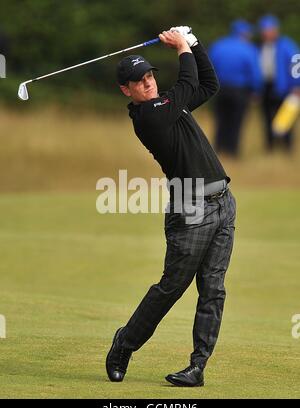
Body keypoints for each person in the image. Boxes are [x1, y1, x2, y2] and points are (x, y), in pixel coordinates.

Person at [106, 27, 236, 387]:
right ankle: (124, 343)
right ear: (126, 90)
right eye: (138, 80)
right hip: (191, 209)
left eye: (148, 75)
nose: (147, 83)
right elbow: (188, 76)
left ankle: (197, 367)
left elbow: (208, 85)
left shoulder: (169, 104)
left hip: (224, 203)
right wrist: (181, 47)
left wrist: (194, 44)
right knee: (172, 286)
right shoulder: (149, 117)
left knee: (214, 289)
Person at [209, 20, 262, 157]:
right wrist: (256, 91)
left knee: (220, 121)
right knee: (236, 123)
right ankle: (232, 152)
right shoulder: (249, 49)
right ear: (245, 33)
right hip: (240, 91)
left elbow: (209, 67)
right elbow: (255, 72)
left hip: (219, 89)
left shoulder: (218, 45)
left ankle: (218, 151)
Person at [258, 14, 300, 152]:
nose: (266, 33)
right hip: (266, 86)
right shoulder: (261, 46)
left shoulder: (287, 45)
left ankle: (286, 148)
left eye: (268, 30)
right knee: (267, 118)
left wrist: (296, 85)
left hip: (284, 88)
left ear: (275, 30)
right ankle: (270, 148)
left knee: (285, 119)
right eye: (264, 30)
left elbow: (296, 64)